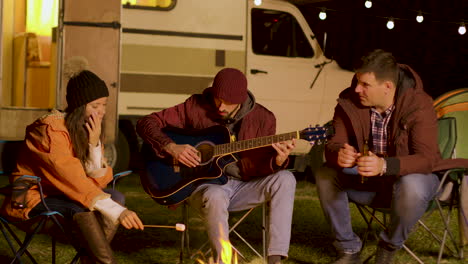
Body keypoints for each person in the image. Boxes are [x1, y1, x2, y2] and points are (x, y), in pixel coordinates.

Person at [315, 49, 468, 264]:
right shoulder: (349, 102)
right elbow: (334, 143)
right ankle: (348, 249)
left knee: (412, 184)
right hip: (369, 183)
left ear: (387, 86)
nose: (357, 89)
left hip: (411, 184)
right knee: (325, 173)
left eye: (365, 85)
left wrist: (385, 165)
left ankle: (388, 246)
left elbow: (427, 159)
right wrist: (338, 153)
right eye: (357, 82)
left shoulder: (418, 104)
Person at [137, 68, 296, 264]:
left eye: (227, 102)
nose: (220, 106)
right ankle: (223, 261)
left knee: (286, 178)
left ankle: (275, 259)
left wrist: (277, 161)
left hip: (242, 186)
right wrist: (170, 147)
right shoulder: (195, 106)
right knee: (215, 195)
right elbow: (146, 123)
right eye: (217, 99)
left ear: (241, 99)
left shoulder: (264, 118)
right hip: (203, 187)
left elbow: (261, 166)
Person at [1, 57, 144, 264]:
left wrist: (94, 146)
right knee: (85, 208)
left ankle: (90, 260)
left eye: (104, 105)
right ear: (78, 106)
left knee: (116, 197)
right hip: (32, 197)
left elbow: (96, 184)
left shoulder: (84, 130)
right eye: (95, 105)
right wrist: (117, 213)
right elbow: (73, 179)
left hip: (64, 194)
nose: (102, 112)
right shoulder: (49, 131)